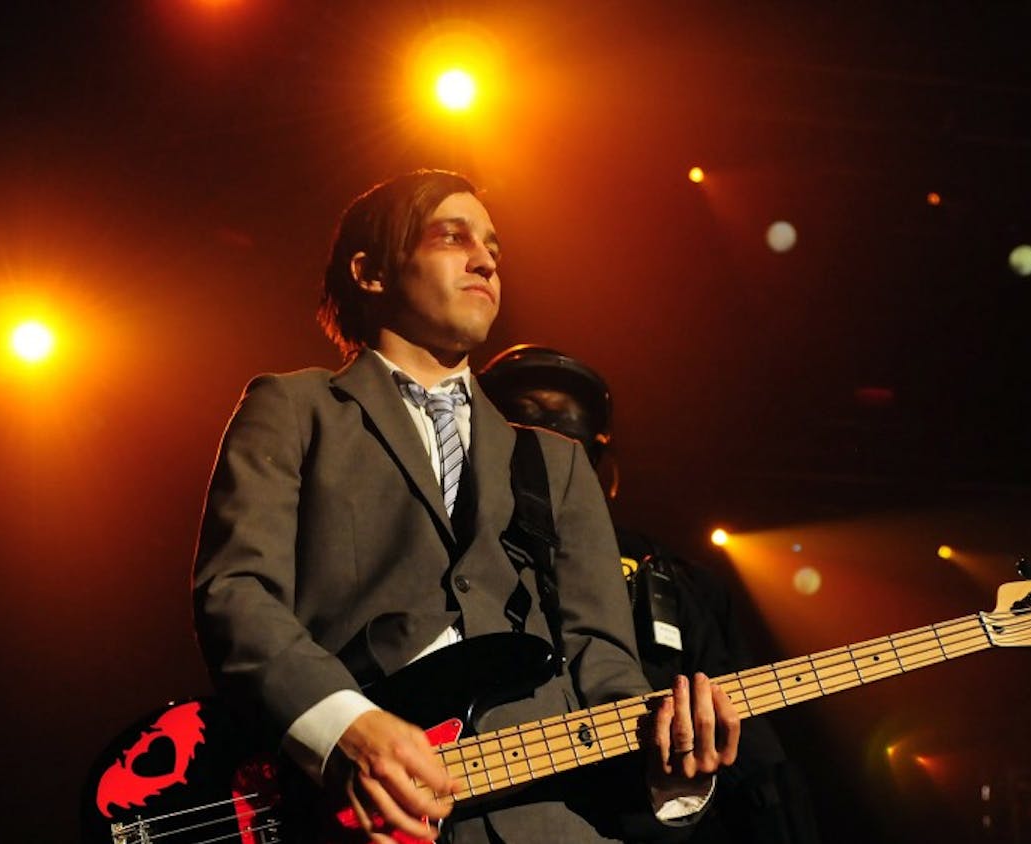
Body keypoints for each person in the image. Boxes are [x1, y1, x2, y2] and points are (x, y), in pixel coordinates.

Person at [192, 170, 739, 844]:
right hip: (357, 818)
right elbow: (237, 592)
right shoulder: (295, 409)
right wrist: (344, 728)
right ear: (370, 272)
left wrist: (671, 759)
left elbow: (604, 666)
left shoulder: (554, 463)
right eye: (453, 237)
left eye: (493, 249)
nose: (485, 260)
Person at [479, 345, 821, 844]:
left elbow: (755, 765)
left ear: (602, 465)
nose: (553, 463)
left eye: (572, 443)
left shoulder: (680, 580)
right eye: (527, 433)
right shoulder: (455, 557)